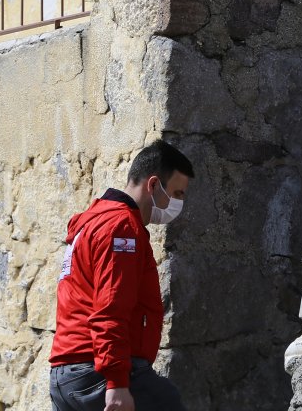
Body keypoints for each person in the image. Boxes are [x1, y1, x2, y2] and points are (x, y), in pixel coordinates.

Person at [50, 140, 194, 411]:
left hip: (67, 374)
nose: (178, 203)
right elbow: (110, 308)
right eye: (176, 193)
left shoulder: (93, 222)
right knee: (167, 402)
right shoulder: (121, 228)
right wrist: (117, 383)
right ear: (153, 185)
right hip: (96, 373)